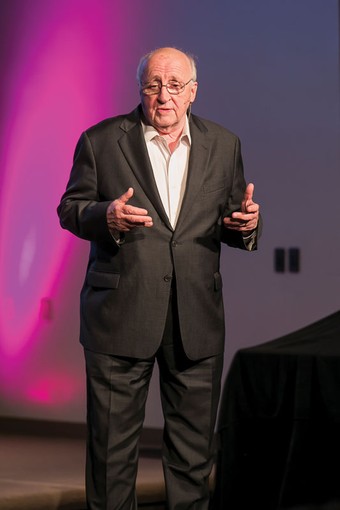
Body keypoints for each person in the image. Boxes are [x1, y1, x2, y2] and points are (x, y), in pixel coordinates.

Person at [57, 46, 261, 510]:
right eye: (153, 85)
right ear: (141, 90)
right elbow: (70, 209)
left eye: (174, 85)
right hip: (119, 316)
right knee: (111, 458)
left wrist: (247, 226)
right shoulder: (101, 140)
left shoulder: (224, 145)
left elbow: (234, 216)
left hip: (196, 319)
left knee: (192, 460)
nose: (162, 95)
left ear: (193, 93)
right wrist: (104, 215)